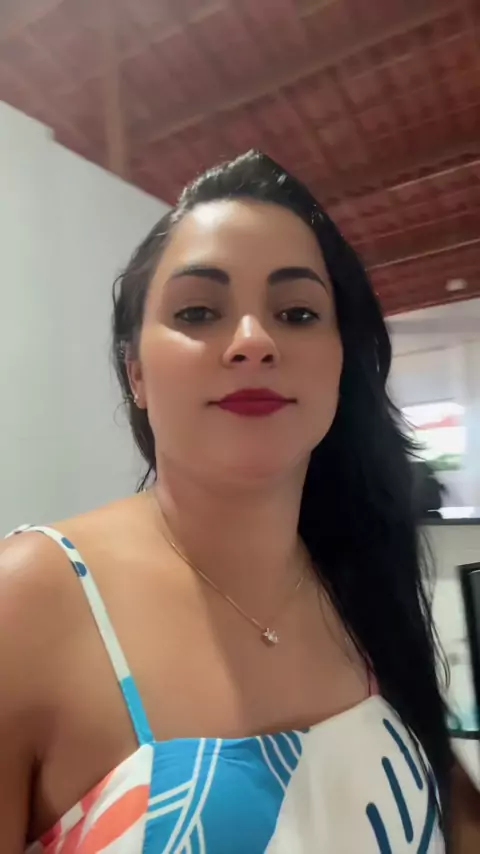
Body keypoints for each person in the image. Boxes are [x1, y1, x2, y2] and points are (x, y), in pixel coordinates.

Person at [1, 151, 478, 853]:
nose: (253, 341)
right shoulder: (26, 603)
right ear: (135, 371)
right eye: (198, 311)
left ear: (339, 362)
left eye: (297, 312)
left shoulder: (361, 572)